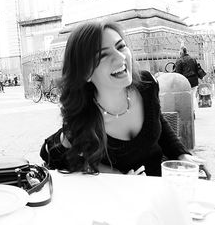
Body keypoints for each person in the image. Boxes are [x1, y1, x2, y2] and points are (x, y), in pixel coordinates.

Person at [40, 20, 204, 176]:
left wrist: (182, 155)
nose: (120, 57)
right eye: (103, 55)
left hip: (161, 187)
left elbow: (158, 122)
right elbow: (53, 155)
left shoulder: (146, 84)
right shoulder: (84, 117)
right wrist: (111, 174)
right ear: (85, 73)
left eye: (121, 46)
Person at [175, 47, 199, 113]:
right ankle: (193, 111)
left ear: (181, 53)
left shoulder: (179, 60)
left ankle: (188, 112)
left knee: (185, 97)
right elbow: (197, 70)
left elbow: (178, 74)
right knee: (193, 96)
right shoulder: (193, 59)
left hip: (185, 81)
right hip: (194, 81)